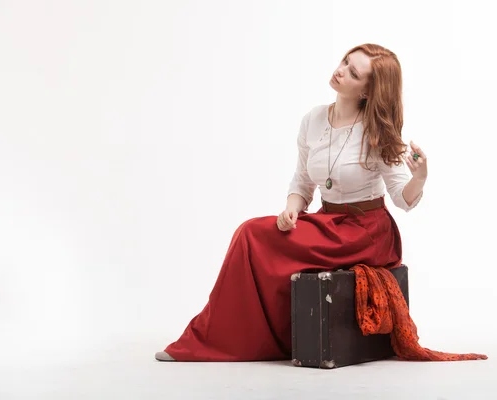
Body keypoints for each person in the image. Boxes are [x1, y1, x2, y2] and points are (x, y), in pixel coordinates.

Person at [155, 43, 428, 362]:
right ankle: (227, 338)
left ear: (368, 91)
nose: (340, 70)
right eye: (344, 61)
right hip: (328, 223)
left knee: (251, 234)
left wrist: (419, 177)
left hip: (365, 233)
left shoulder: (377, 132)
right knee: (252, 235)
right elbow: (302, 181)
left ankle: (227, 341)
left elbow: (402, 199)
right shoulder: (313, 119)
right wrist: (292, 209)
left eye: (353, 72)